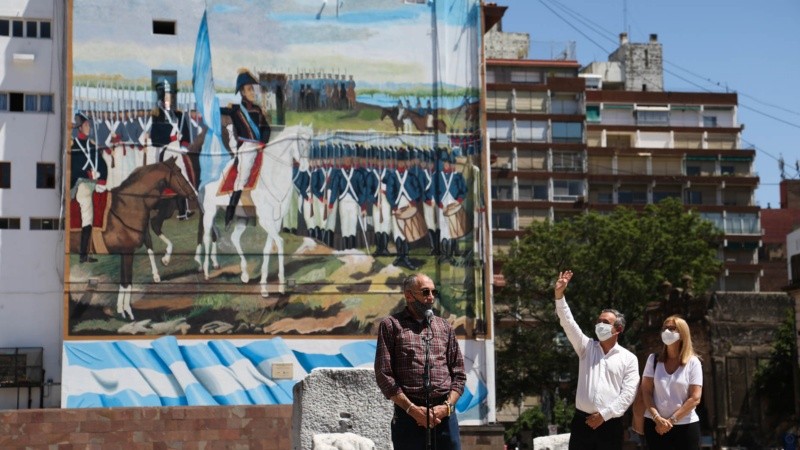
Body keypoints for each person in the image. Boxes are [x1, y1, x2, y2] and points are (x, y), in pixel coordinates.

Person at [375, 273, 466, 450]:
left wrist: (445, 407)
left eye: (434, 292)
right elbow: (384, 374)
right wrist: (412, 410)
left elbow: (459, 374)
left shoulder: (444, 326)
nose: (431, 297)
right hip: (408, 415)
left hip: (444, 415)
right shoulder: (391, 325)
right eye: (425, 292)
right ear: (409, 295)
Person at [554, 270, 640, 450]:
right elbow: (568, 323)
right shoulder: (586, 347)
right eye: (598, 321)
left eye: (606, 322)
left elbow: (628, 394)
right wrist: (559, 294)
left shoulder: (629, 359)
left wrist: (604, 415)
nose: (600, 325)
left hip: (610, 425)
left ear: (618, 329)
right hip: (581, 423)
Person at [641, 315, 703, 450]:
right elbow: (646, 391)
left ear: (682, 334)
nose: (667, 331)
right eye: (665, 328)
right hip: (655, 425)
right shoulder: (653, 360)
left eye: (672, 328)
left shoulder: (693, 362)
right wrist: (657, 418)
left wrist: (671, 421)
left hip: (685, 426)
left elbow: (695, 398)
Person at [223, 69, 271, 227]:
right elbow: (218, 111)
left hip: (260, 147)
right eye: (250, 89)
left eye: (253, 89)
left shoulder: (257, 110)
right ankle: (229, 214)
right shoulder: (236, 109)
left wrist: (263, 143)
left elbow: (266, 129)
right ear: (243, 92)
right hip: (247, 147)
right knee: (241, 181)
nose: (253, 92)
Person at [70, 112, 108, 263]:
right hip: (81, 183)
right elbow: (73, 169)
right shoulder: (73, 147)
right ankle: (83, 255)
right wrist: (87, 173)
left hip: (94, 181)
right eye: (86, 125)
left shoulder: (91, 145)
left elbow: (102, 163)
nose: (89, 127)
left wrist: (103, 179)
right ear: (80, 128)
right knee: (88, 212)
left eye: (89, 125)